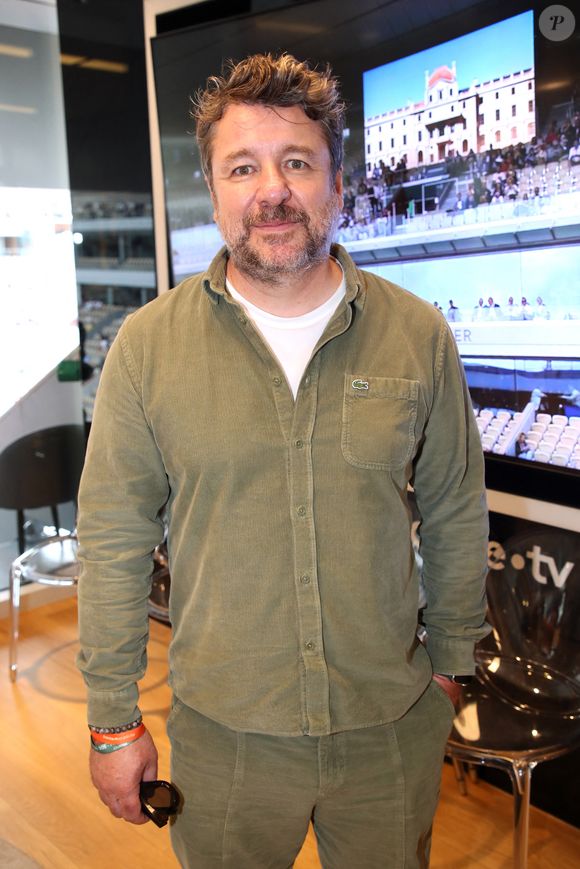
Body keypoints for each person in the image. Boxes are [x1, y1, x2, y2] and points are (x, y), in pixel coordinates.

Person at [76, 53, 489, 869]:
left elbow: (453, 510)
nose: (273, 190)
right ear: (214, 188)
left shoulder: (418, 335)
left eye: (297, 162)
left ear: (337, 183)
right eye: (243, 167)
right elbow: (114, 542)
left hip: (388, 731)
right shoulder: (147, 349)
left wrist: (450, 670)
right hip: (225, 741)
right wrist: (113, 720)